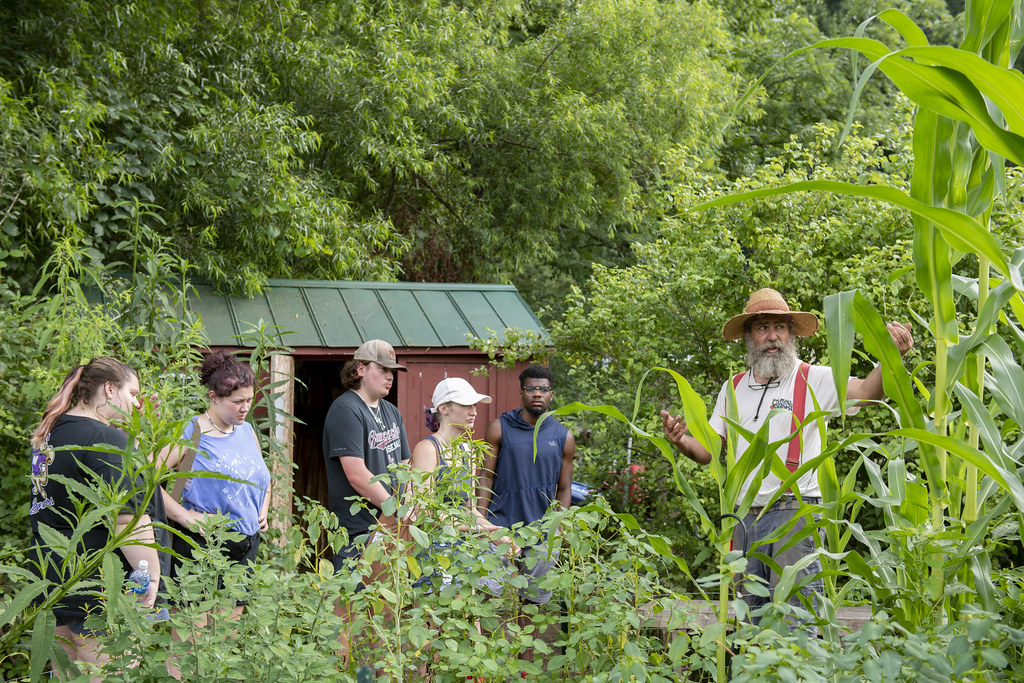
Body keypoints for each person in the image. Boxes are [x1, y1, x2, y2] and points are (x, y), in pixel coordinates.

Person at [660, 288, 913, 621]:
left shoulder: (813, 378)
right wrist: (681, 441)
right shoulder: (733, 387)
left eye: (779, 327)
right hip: (744, 520)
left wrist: (891, 356)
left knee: (793, 622)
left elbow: (866, 393)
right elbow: (708, 451)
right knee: (747, 622)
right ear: (749, 337)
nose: (772, 336)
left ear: (791, 333)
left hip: (796, 515)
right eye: (762, 327)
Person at [29, 357, 160, 676]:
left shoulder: (50, 434)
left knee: (66, 676)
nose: (136, 403)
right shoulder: (104, 440)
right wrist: (149, 577)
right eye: (132, 394)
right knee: (115, 674)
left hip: (52, 580)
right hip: (99, 587)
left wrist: (131, 432)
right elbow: (127, 520)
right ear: (110, 389)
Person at [160, 350, 270, 615]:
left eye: (249, 399)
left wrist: (263, 507)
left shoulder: (245, 429)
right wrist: (185, 516)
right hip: (201, 546)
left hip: (246, 546)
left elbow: (261, 476)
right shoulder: (191, 432)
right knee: (189, 643)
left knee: (223, 643)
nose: (246, 407)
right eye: (237, 401)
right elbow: (142, 479)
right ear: (214, 397)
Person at [477, 364, 575, 606]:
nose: (537, 394)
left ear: (552, 394)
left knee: (533, 603)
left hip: (541, 532)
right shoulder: (499, 427)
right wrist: (480, 521)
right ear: (521, 392)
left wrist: (558, 529)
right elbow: (485, 476)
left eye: (543, 389)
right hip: (498, 526)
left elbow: (564, 488)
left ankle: (525, 645)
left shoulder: (564, 436)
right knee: (486, 595)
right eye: (530, 388)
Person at [322, 339, 412, 571]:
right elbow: (357, 475)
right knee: (353, 603)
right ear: (360, 369)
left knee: (390, 604)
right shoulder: (346, 409)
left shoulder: (391, 411)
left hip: (393, 526)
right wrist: (396, 511)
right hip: (358, 532)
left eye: (393, 370)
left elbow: (405, 465)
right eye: (383, 369)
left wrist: (407, 508)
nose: (390, 376)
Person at [409, 377, 505, 589]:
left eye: (474, 405)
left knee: (471, 615)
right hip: (434, 551)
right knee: (438, 618)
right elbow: (425, 513)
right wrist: (479, 530)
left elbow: (468, 507)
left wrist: (496, 532)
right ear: (443, 408)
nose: (474, 412)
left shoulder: (466, 450)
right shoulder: (427, 449)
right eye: (466, 405)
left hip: (464, 547)